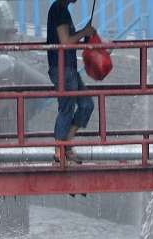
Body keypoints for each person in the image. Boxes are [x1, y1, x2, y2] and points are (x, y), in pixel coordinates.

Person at [46, 0, 95, 163]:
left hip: (69, 68)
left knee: (87, 104)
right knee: (67, 107)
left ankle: (66, 143)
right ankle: (59, 149)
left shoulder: (64, 11)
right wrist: (83, 32)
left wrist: (85, 35)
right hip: (61, 68)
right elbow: (65, 41)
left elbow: (68, 40)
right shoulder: (58, 10)